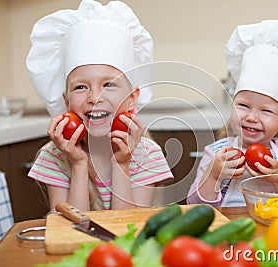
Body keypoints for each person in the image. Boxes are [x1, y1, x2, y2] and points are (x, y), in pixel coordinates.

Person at [26, 0, 173, 211]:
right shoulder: (54, 156)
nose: (95, 97)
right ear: (66, 102)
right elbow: (70, 232)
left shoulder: (145, 154)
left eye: (109, 85)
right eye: (80, 87)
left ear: (132, 98)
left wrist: (121, 163)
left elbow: (126, 228)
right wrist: (78, 164)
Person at [187, 18, 278, 207]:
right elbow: (193, 206)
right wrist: (213, 175)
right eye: (243, 106)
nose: (251, 117)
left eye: (265, 110)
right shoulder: (216, 153)